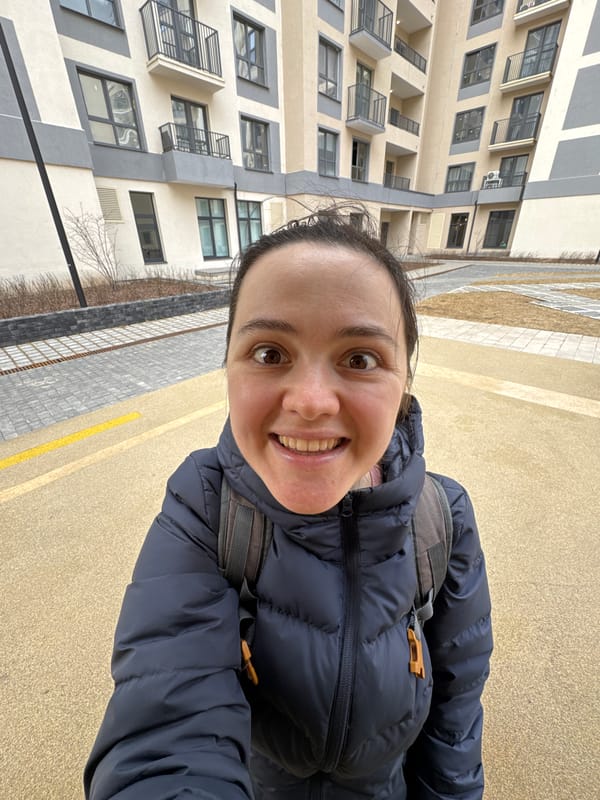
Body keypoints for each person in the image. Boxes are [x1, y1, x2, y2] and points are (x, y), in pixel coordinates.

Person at [84, 210, 493, 800]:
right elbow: (165, 717)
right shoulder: (205, 502)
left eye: (360, 359)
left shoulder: (442, 517)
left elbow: (456, 712)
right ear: (228, 367)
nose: (310, 402)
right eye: (270, 353)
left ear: (405, 382)